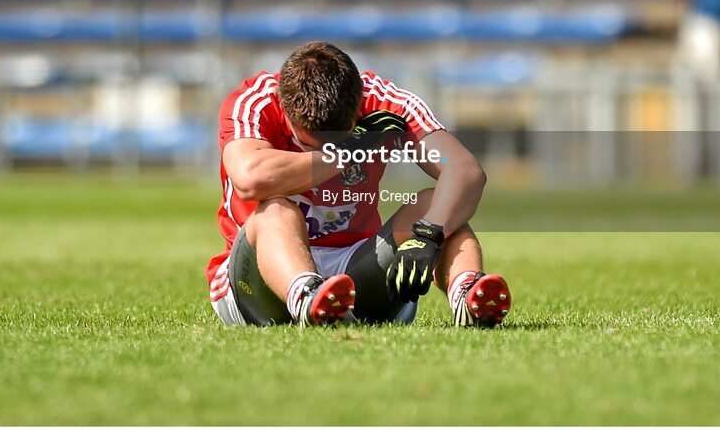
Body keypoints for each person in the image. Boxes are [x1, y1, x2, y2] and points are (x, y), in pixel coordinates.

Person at [206, 42, 511, 328]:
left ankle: (468, 294)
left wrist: (429, 236)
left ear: (358, 106)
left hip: (355, 269)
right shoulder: (255, 101)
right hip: (258, 280)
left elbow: (465, 172)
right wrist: (344, 153)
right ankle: (306, 296)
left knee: (439, 204)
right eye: (310, 140)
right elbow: (251, 179)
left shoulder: (386, 102)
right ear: (285, 110)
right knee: (275, 210)